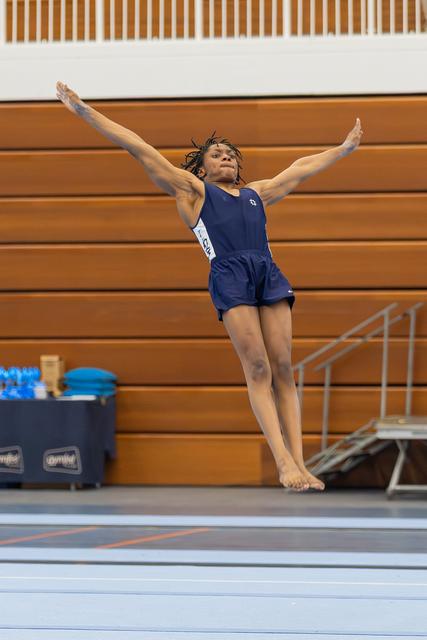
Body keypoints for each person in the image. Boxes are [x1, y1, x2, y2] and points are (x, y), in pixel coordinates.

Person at [56, 82, 363, 491]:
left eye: (231, 154)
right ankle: (283, 462)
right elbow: (139, 147)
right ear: (201, 168)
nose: (227, 158)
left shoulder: (256, 193)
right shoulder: (193, 192)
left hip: (267, 272)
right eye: (217, 154)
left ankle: (303, 464)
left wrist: (343, 150)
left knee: (285, 368)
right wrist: (84, 112)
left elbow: (301, 167)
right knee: (257, 367)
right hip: (229, 275)